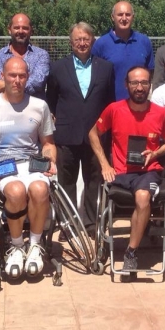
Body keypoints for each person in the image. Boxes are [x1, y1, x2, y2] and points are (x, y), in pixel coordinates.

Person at [0, 57, 57, 278]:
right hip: (1, 165)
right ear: (3, 77)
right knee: (16, 191)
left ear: (27, 78)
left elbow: (48, 143)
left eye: (22, 76)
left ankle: (35, 246)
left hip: (31, 163)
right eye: (12, 75)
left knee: (39, 189)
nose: (17, 80)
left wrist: (50, 161)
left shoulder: (39, 106)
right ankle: (16, 246)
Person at [88, 66, 165, 271]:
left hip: (148, 171)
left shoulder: (160, 113)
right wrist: (105, 164)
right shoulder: (114, 109)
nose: (139, 87)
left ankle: (131, 252)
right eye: (134, 82)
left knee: (143, 196)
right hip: (121, 173)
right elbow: (92, 134)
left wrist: (155, 154)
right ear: (126, 85)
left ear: (150, 85)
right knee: (137, 197)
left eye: (144, 82)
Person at [45, 23, 115, 233]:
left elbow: (110, 102)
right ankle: (68, 224)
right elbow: (52, 100)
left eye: (86, 39)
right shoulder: (57, 68)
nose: (82, 43)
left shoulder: (106, 67)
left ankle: (92, 224)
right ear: (71, 42)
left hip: (96, 136)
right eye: (78, 39)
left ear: (93, 41)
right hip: (67, 135)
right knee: (67, 181)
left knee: (94, 180)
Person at [92, 1, 154, 101]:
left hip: (139, 106)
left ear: (133, 17)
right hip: (111, 106)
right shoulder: (101, 44)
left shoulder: (144, 42)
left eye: (128, 15)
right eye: (120, 14)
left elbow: (149, 73)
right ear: (112, 17)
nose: (124, 18)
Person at [0, 13, 50, 99]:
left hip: (34, 110)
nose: (21, 31)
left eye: (25, 28)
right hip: (6, 110)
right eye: (17, 27)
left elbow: (37, 84)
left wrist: (5, 86)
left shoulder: (41, 55)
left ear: (31, 31)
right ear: (9, 30)